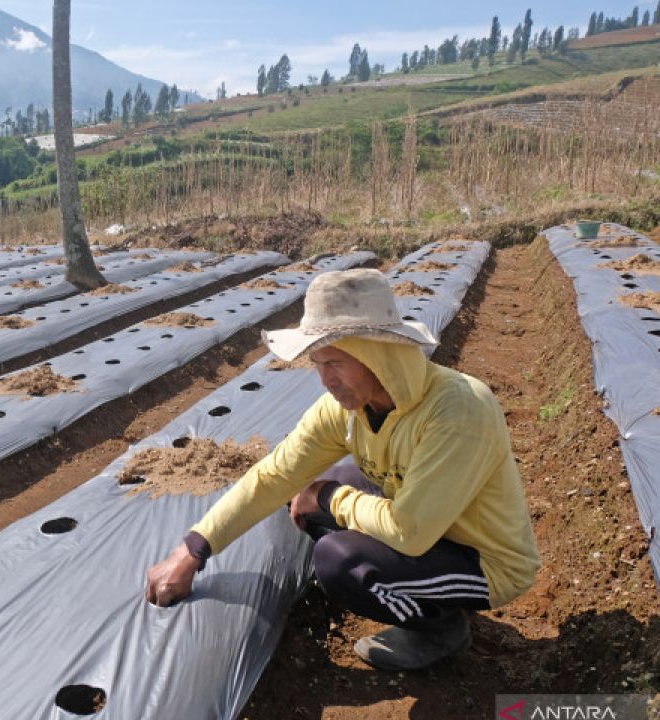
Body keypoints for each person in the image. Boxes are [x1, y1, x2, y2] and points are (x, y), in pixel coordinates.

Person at [144, 268, 539, 671]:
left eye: (334, 362)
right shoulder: (345, 410)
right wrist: (192, 549)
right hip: (432, 529)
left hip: (484, 562)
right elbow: (275, 476)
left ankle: (440, 629)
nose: (325, 380)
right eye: (317, 363)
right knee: (335, 484)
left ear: (377, 354)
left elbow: (411, 532)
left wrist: (330, 497)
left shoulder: (456, 410)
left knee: (340, 559)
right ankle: (427, 593)